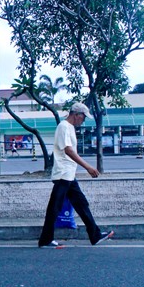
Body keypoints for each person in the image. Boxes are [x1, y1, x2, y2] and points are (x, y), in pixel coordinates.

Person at [38, 102, 114, 248]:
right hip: (63, 173)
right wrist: (87, 167)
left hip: (69, 174)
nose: (83, 120)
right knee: (55, 207)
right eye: (83, 117)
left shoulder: (70, 128)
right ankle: (45, 240)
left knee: (81, 204)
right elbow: (68, 150)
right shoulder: (64, 127)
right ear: (76, 114)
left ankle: (95, 235)